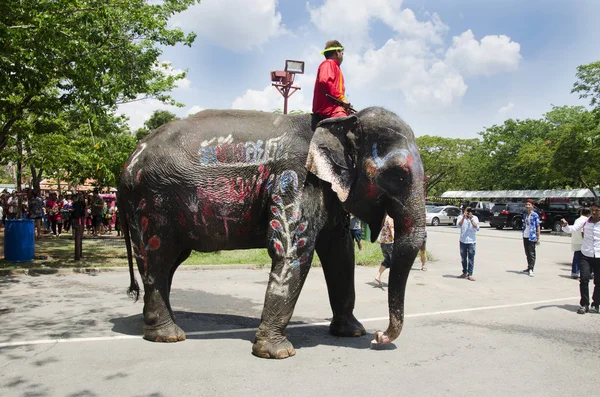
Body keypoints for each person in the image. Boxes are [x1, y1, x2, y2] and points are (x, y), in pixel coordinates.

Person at [561, 201, 600, 314]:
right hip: (586, 254)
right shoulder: (585, 221)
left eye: (597, 210)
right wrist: (565, 226)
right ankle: (584, 304)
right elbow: (572, 229)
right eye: (592, 210)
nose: (594, 212)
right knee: (583, 279)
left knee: (598, 281)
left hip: (599, 256)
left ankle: (596, 304)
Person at [312, 40, 351, 127]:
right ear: (337, 52)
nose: (342, 56)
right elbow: (324, 81)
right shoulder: (329, 63)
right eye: (342, 53)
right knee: (346, 126)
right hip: (329, 108)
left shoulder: (335, 66)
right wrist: (341, 98)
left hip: (335, 107)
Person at [564, 208, 591, 279]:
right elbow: (583, 231)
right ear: (589, 213)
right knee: (586, 259)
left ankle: (575, 272)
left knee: (577, 257)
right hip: (583, 242)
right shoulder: (587, 220)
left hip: (576, 241)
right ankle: (589, 273)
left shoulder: (578, 219)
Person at [457, 207, 479, 281]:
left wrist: (471, 219)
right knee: (463, 258)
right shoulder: (460, 217)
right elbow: (458, 225)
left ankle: (470, 274)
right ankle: (464, 272)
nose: (468, 212)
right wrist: (464, 217)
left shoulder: (475, 218)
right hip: (463, 241)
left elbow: (477, 227)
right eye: (467, 211)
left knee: (471, 259)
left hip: (471, 241)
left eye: (470, 211)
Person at [521, 199, 541, 277]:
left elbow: (538, 225)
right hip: (525, 235)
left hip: (532, 236)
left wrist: (538, 237)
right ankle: (529, 266)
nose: (527, 206)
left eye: (529, 205)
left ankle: (531, 269)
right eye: (526, 204)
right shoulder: (525, 214)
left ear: (532, 206)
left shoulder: (535, 215)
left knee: (531, 253)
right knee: (527, 252)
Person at [375, 214, 394, 285]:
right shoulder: (391, 218)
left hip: (383, 242)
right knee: (394, 262)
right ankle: (393, 281)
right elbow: (391, 229)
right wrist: (395, 240)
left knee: (387, 261)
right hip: (390, 243)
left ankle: (378, 276)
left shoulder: (383, 218)